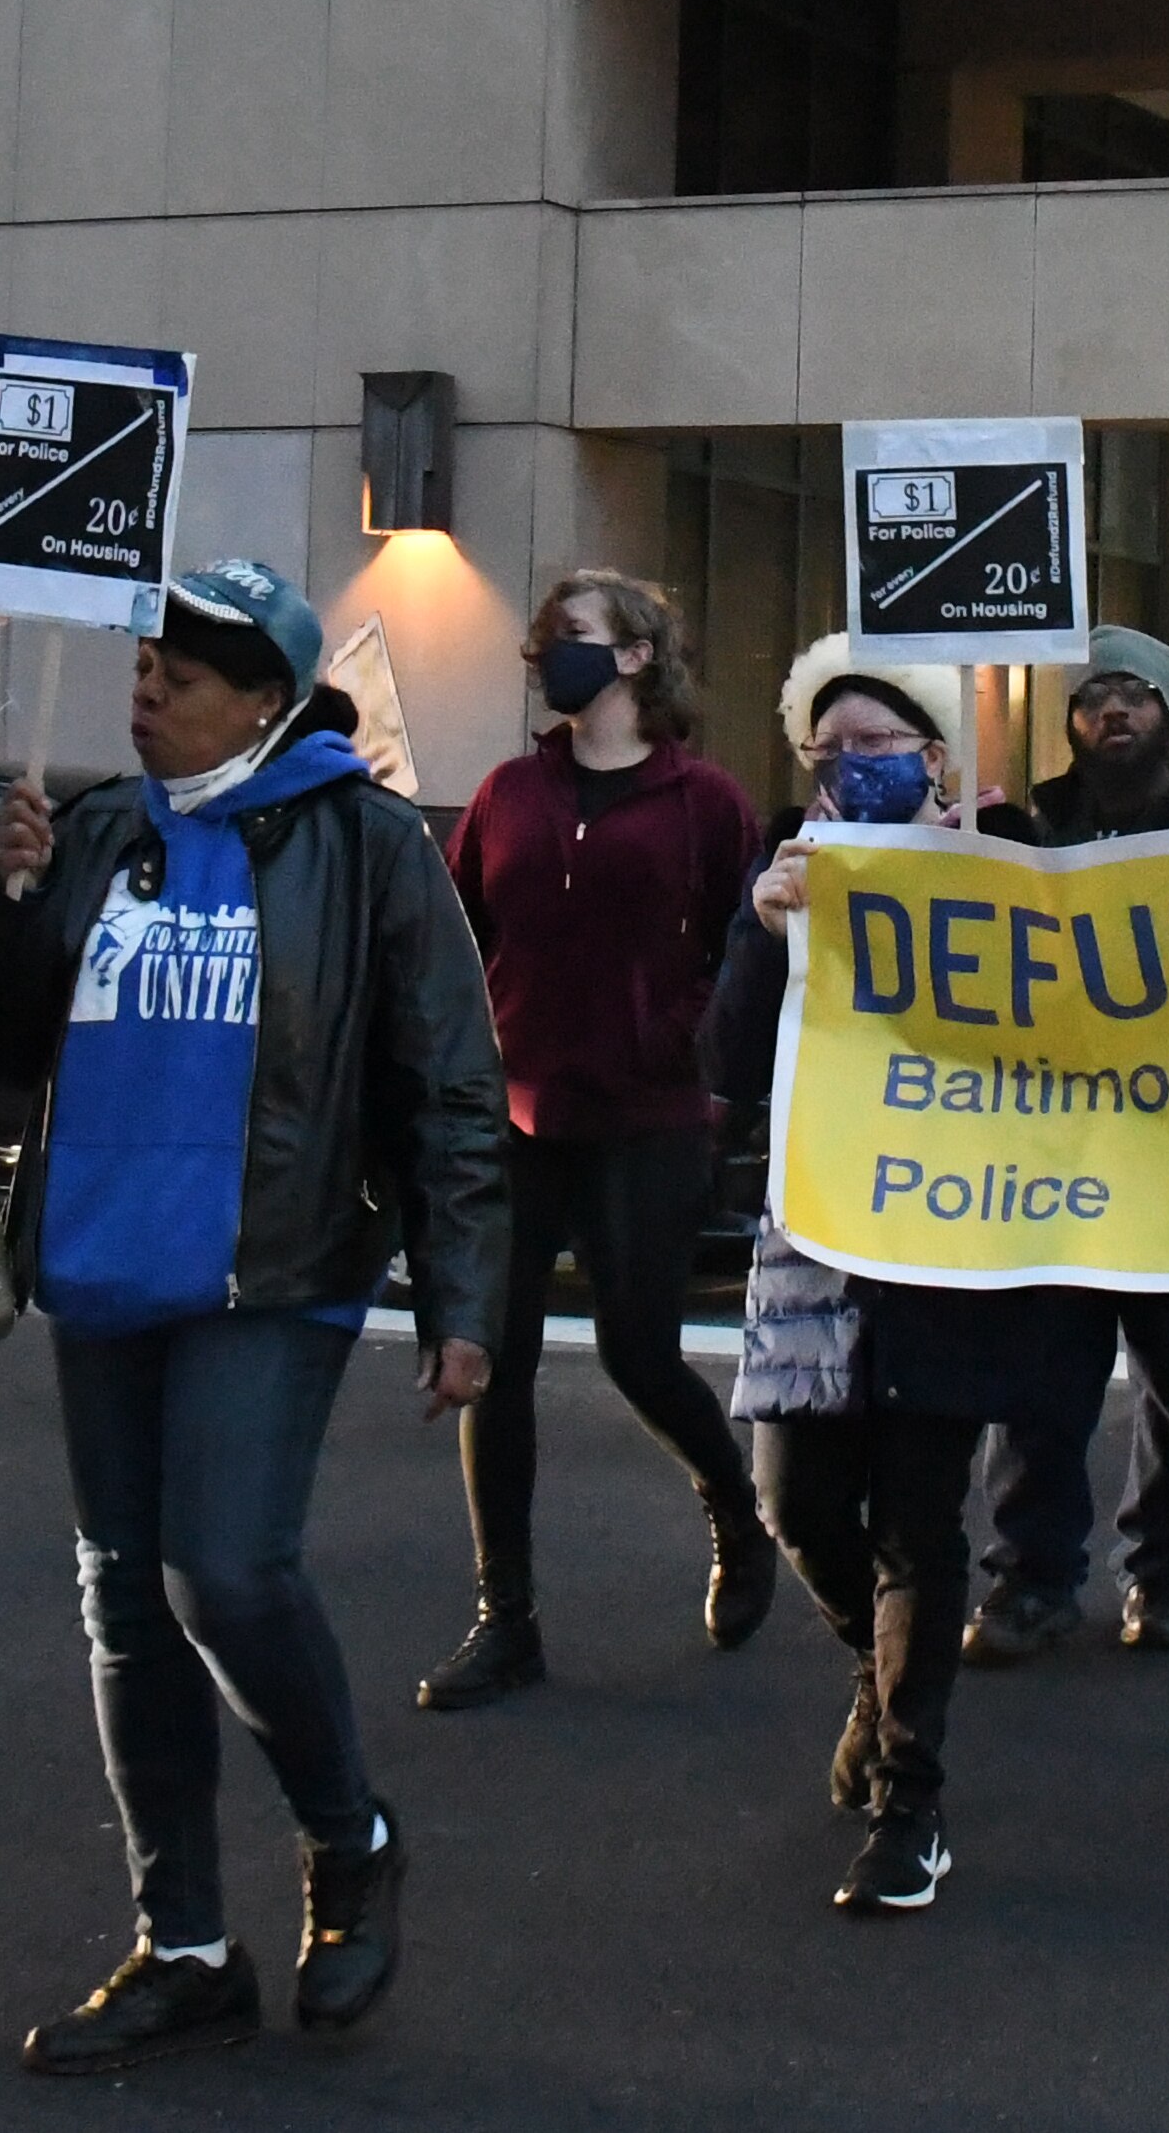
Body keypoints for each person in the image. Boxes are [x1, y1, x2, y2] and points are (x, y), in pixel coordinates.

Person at [0, 560, 511, 2074]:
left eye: (179, 680)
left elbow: (450, 1080)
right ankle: (184, 1945)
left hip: (270, 1266)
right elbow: (8, 1046)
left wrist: (462, 1292)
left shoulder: (364, 843)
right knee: (126, 1600)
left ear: (261, 705)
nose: (143, 693)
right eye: (142, 670)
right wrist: (10, 903)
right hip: (102, 1258)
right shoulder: (92, 829)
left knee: (225, 1567)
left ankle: (350, 1841)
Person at [705, 638, 1101, 1916]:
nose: (846, 767)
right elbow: (722, 1060)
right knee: (800, 1503)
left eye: (874, 745)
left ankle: (909, 1799)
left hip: (943, 1242)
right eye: (828, 750)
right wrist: (767, 935)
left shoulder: (1001, 874)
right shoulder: (789, 877)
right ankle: (877, 1689)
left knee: (919, 1522)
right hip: (817, 1240)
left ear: (936, 758)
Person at [418, 570, 774, 1710]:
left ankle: (732, 1501)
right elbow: (453, 933)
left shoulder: (703, 801)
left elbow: (740, 945)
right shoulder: (508, 793)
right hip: (516, 1116)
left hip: (644, 1119)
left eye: (573, 637)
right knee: (494, 1363)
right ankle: (504, 1616)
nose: (547, 655)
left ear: (633, 659)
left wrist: (680, 1041)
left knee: (638, 1350)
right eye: (543, 639)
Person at [967, 627, 1169, 1661]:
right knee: (1039, 1379)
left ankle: (1164, 1575)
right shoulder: (1023, 828)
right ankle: (1029, 1576)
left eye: (1133, 693)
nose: (1112, 711)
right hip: (1057, 1150)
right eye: (1093, 697)